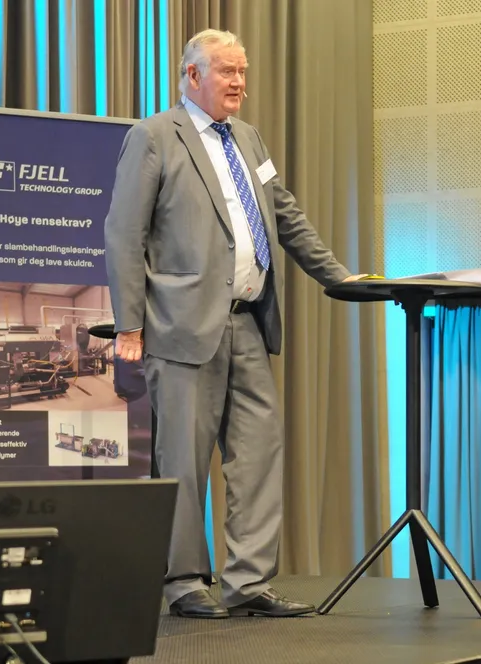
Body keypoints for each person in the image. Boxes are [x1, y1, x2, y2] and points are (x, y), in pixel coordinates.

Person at [103, 29, 365, 619]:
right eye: (227, 71)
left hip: (248, 320)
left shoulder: (248, 138)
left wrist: (339, 277)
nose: (239, 83)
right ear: (192, 76)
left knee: (258, 451)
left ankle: (249, 582)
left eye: (243, 72)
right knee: (183, 459)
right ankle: (183, 582)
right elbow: (124, 234)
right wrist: (129, 325)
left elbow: (284, 214)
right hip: (180, 325)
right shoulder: (154, 136)